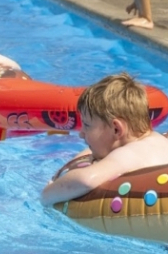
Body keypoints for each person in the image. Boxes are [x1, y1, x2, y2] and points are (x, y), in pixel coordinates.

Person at [40, 73, 168, 207]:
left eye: (87, 126)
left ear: (116, 129)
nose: (81, 134)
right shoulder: (159, 140)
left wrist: (46, 195)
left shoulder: (129, 154)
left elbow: (85, 180)